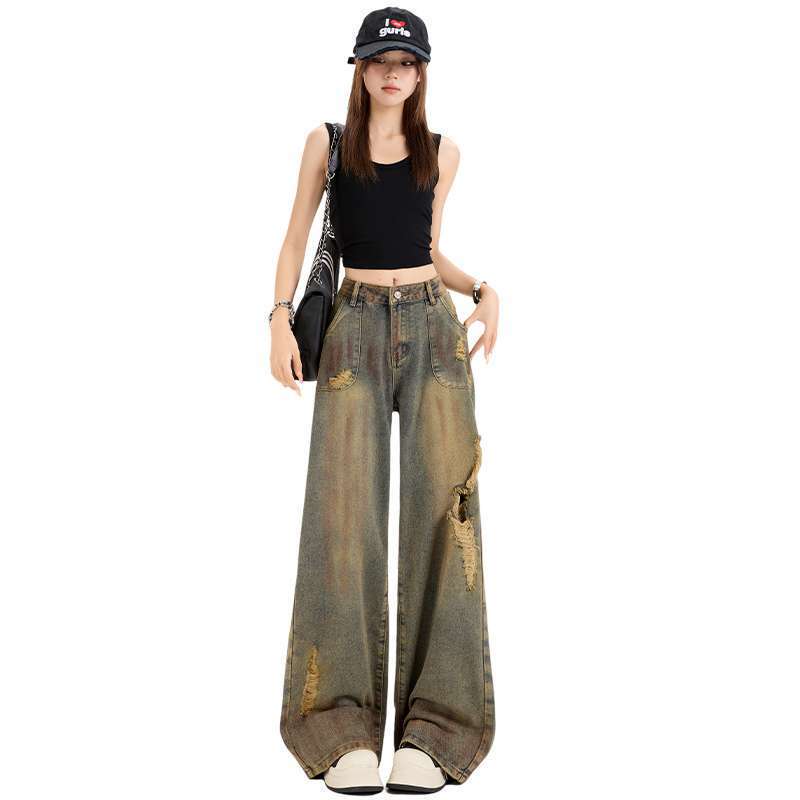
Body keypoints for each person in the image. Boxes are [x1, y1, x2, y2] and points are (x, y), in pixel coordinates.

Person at [269, 8, 499, 793]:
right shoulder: (328, 144)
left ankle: (437, 730)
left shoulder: (443, 152)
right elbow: (295, 238)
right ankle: (339, 727)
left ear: (421, 72)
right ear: (361, 69)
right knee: (342, 519)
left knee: (444, 516)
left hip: (433, 325)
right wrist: (278, 319)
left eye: (404, 62)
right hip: (353, 329)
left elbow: (427, 247)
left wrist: (485, 289)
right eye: (378, 61)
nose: (391, 73)